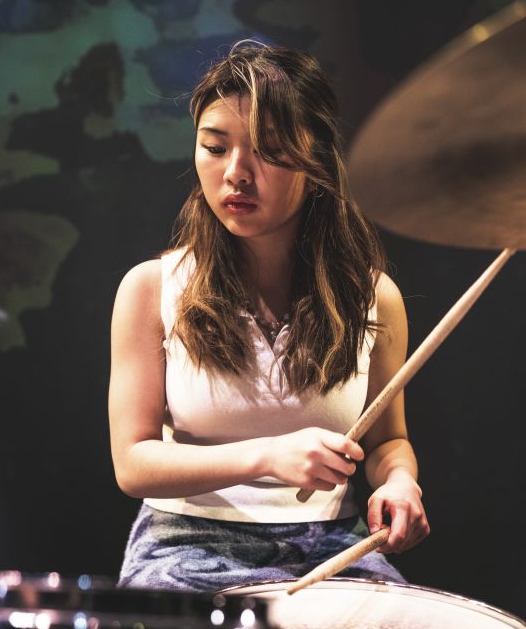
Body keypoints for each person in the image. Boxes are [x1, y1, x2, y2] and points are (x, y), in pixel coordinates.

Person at [110, 41, 430, 592]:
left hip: (332, 544)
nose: (236, 173)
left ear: (318, 159)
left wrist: (400, 482)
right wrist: (268, 456)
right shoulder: (152, 288)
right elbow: (134, 462)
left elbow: (385, 442)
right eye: (215, 147)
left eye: (268, 149)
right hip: (188, 544)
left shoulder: (374, 297)